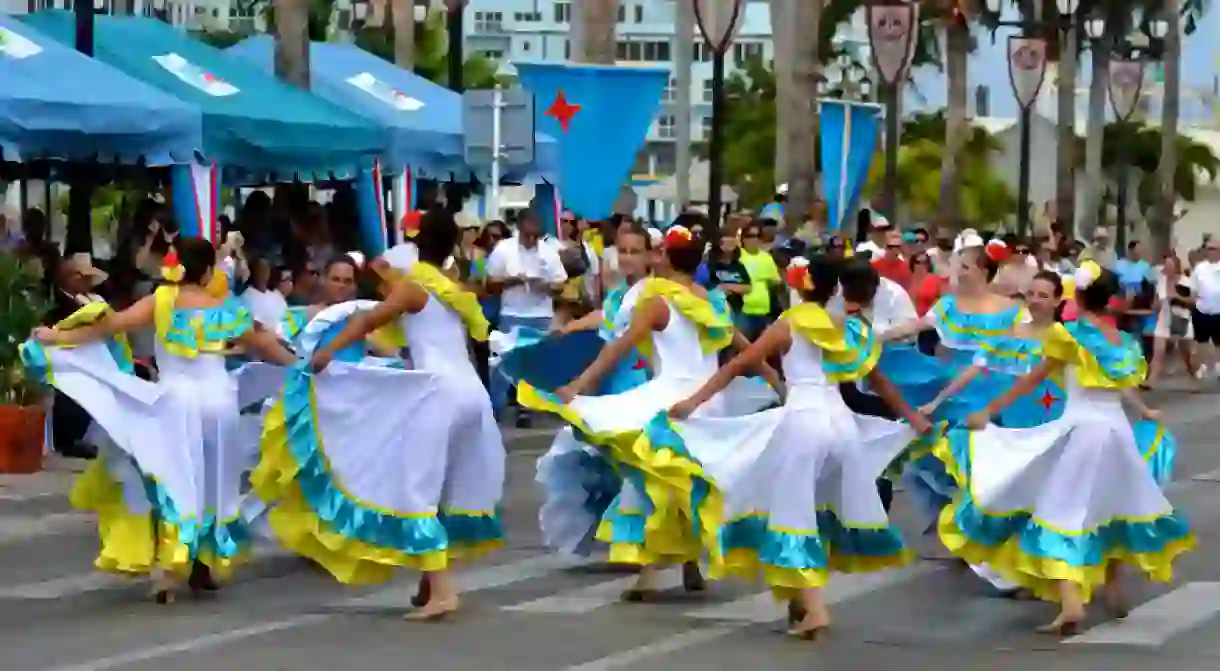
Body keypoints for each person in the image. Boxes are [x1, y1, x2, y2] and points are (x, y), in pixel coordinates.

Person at [666, 254, 930, 639]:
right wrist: (912, 417)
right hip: (841, 425)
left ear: (800, 286)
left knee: (792, 515)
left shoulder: (790, 323)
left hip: (804, 422)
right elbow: (879, 381)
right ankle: (798, 598)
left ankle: (816, 608)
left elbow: (741, 363)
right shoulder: (848, 328)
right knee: (815, 510)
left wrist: (694, 400)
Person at [266, 209, 506, 621]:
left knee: (417, 489)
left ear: (415, 245)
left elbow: (369, 319)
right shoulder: (454, 288)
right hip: (472, 393)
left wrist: (326, 350)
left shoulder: (416, 288)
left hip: (439, 392)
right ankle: (429, 584)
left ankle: (443, 592)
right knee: (448, 488)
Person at [517, 225, 780, 600]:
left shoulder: (658, 301)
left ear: (666, 259)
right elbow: (746, 349)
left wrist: (578, 385)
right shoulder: (714, 302)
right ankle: (687, 565)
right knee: (687, 481)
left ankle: (649, 573)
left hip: (671, 401)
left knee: (647, 480)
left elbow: (619, 347)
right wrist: (776, 381)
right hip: (709, 403)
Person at [30, 237, 297, 602]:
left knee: (176, 483)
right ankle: (203, 566)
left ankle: (170, 572)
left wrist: (56, 335)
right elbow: (265, 345)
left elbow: (111, 326)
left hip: (176, 402)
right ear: (207, 271)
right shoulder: (226, 306)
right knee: (216, 484)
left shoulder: (162, 301)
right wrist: (302, 370)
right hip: (219, 401)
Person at [940, 262, 1191, 634]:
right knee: (1110, 509)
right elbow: (1123, 387)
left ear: (1077, 296)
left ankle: (1072, 604)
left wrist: (989, 410)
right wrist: (1144, 410)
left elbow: (1033, 379)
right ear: (1111, 300)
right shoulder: (1121, 341)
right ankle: (1112, 586)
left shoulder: (1070, 335)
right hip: (1118, 432)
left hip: (1083, 431)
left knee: (1059, 514)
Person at [487, 212, 567, 426]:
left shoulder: (549, 252)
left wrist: (546, 286)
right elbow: (489, 284)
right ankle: (496, 408)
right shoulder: (504, 249)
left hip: (540, 314)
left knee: (535, 366)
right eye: (527, 235)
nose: (532, 240)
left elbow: (561, 285)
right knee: (503, 362)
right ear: (519, 229)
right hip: (512, 313)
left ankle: (528, 410)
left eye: (535, 235)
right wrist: (511, 281)